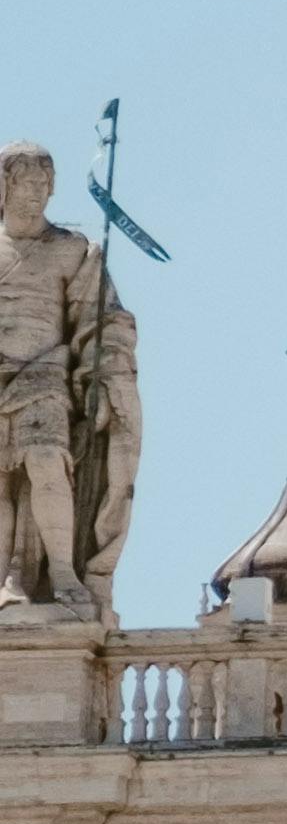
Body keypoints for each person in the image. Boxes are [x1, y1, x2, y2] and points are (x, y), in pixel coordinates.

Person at [0, 146, 139, 610]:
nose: (36, 193)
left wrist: (101, 375)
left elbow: (102, 321)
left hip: (42, 376)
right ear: (4, 186)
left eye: (44, 184)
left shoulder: (71, 249)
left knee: (46, 464)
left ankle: (62, 571)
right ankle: (9, 577)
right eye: (26, 183)